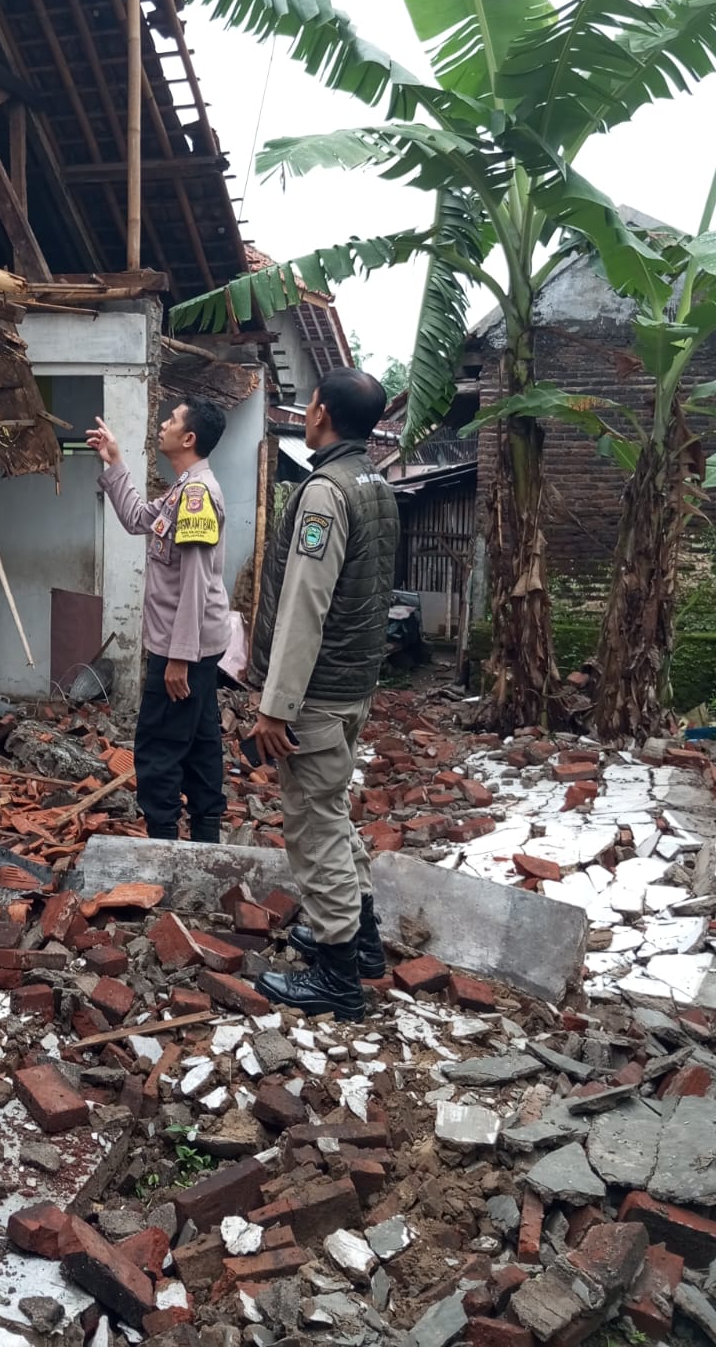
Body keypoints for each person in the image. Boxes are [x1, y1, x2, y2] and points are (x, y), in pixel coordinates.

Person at [247, 368, 399, 1019]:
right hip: (354, 682)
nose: (305, 412)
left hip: (317, 693)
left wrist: (276, 706)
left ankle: (338, 978)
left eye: (309, 404)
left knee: (312, 830)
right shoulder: (376, 484)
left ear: (321, 415)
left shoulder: (324, 493)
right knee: (332, 814)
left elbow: (305, 606)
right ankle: (359, 942)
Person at [87, 399, 231, 843]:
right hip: (196, 645)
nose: (163, 424)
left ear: (188, 439)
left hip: (183, 648)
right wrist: (115, 461)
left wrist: (178, 658)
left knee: (159, 749)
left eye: (172, 420)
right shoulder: (182, 491)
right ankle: (207, 843)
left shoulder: (196, 496)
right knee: (203, 741)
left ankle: (164, 846)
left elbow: (195, 582)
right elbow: (135, 519)